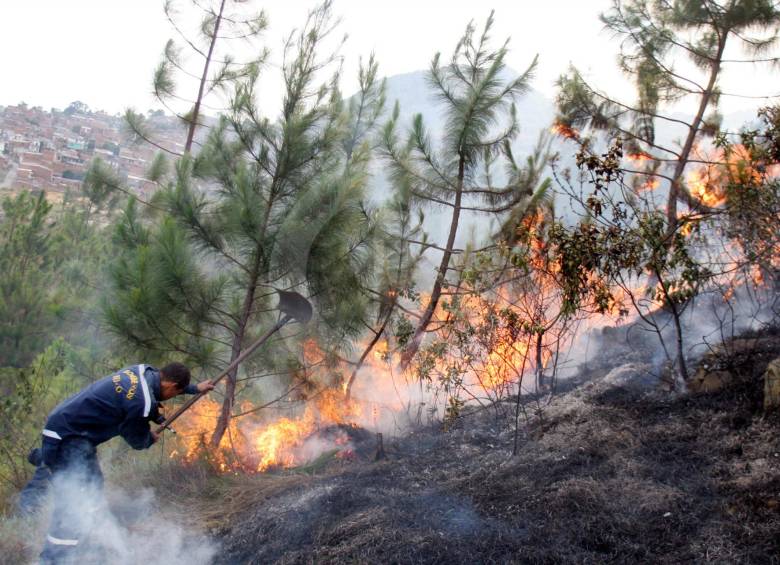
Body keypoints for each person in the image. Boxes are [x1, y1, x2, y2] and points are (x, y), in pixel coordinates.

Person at [19, 362, 214, 564]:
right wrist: (148, 438)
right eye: (176, 393)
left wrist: (194, 389)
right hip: (69, 438)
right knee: (74, 501)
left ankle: (47, 460)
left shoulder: (141, 370)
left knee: (93, 485)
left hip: (68, 428)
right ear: (172, 386)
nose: (172, 397)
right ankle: (53, 559)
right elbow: (135, 438)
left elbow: (143, 400)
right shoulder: (141, 402)